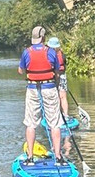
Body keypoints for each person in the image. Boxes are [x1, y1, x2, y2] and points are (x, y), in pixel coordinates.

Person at [18, 25, 64, 165]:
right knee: (54, 123)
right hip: (49, 88)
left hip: (32, 89)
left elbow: (21, 71)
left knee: (31, 123)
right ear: (43, 38)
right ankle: (58, 157)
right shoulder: (51, 52)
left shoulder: (26, 52)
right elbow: (57, 72)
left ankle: (30, 157)